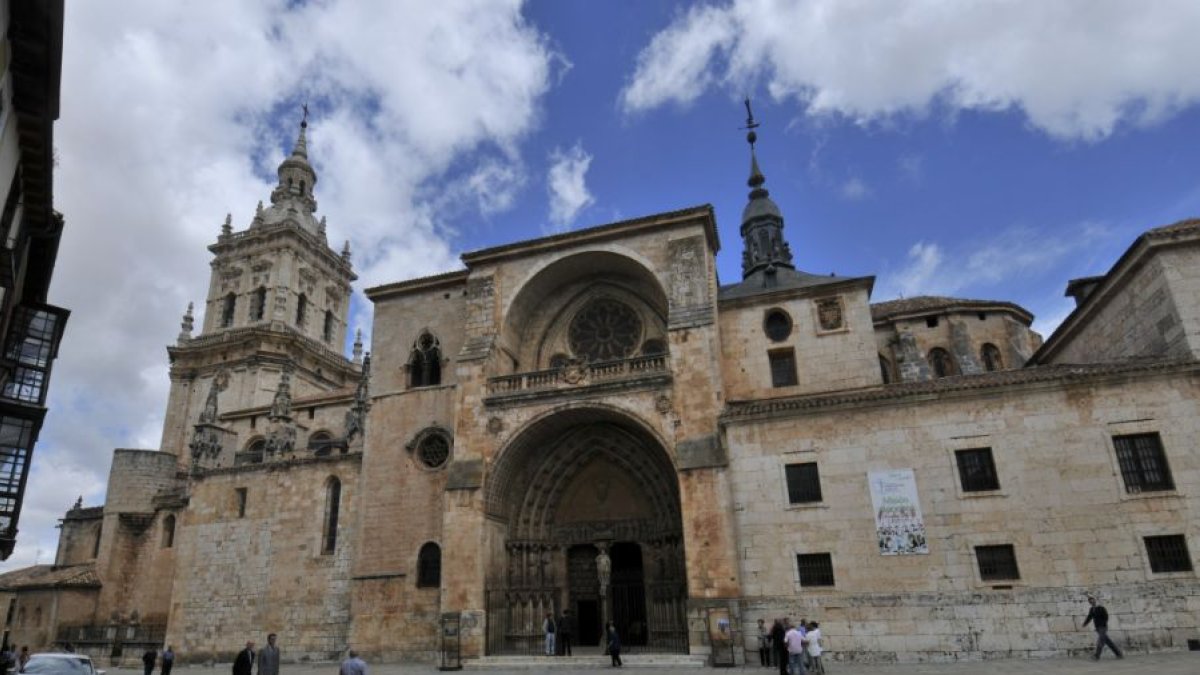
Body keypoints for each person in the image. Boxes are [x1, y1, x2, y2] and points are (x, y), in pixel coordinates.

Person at [1083, 595, 1123, 660]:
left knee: (1100, 641)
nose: (1091, 602)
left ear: (1095, 600)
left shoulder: (1101, 608)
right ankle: (1119, 654)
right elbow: (1089, 617)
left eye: (1092, 600)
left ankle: (1096, 656)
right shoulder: (1091, 609)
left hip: (1103, 627)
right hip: (1098, 628)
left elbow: (1106, 616)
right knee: (1109, 642)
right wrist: (1085, 624)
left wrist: (1104, 624)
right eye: (1090, 601)